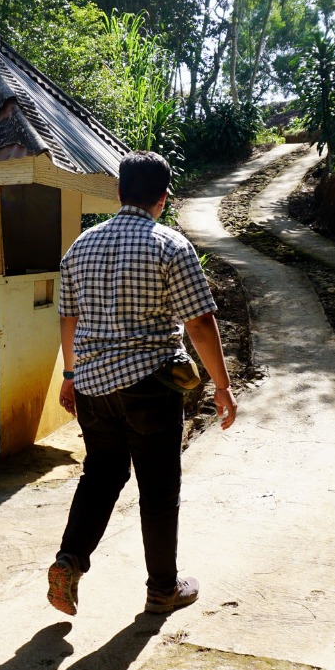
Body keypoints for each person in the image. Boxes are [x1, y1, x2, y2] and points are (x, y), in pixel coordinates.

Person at [47, 150, 238, 617]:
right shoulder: (169, 245)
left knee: (101, 474)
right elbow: (199, 322)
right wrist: (222, 385)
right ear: (163, 198)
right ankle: (162, 589)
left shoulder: (81, 246)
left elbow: (68, 319)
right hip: (150, 385)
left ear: (117, 193)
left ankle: (69, 561)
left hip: (93, 385)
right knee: (158, 487)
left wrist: (71, 375)